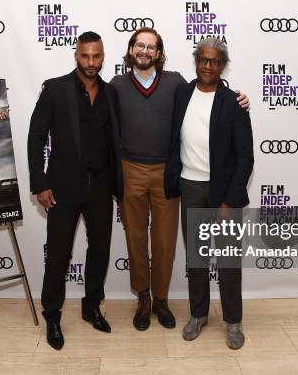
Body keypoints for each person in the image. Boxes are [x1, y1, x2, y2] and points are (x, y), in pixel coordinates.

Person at [109, 27, 249, 331]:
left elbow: (212, 91)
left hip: (168, 175)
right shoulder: (117, 85)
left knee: (165, 243)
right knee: (136, 240)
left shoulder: (175, 83)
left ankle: (162, 300)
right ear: (131, 49)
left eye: (151, 47)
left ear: (159, 54)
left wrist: (240, 98)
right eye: (139, 46)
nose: (145, 51)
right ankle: (144, 298)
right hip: (135, 171)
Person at [27, 31, 122, 350]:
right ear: (76, 55)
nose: (91, 62)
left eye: (96, 56)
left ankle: (91, 305)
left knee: (100, 250)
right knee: (58, 254)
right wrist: (40, 183)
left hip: (101, 187)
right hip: (63, 188)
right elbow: (36, 137)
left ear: (103, 56)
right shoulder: (56, 88)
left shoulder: (110, 93)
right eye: (85, 56)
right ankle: (52, 315)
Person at [165, 37, 254, 349]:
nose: (207, 65)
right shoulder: (182, 93)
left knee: (228, 261)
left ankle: (233, 321)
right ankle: (198, 314)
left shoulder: (233, 102)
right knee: (197, 259)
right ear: (196, 61)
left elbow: (246, 157)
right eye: (203, 59)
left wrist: (230, 200)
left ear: (222, 65)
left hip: (223, 193)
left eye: (214, 61)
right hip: (189, 188)